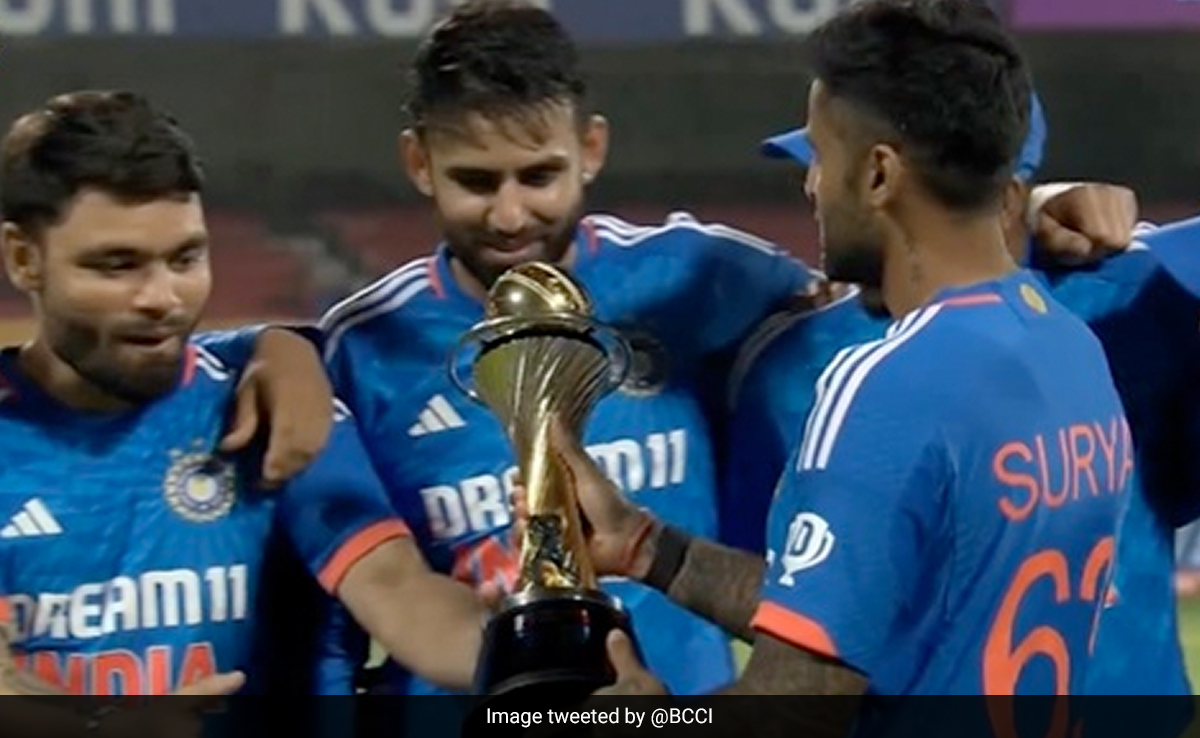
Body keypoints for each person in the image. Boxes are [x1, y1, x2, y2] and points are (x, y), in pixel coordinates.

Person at [523, 0, 1133, 732]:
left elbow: (798, 708)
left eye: (821, 155)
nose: (811, 185)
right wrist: (647, 547)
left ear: (877, 174)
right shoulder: (1069, 349)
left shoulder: (886, 385)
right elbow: (866, 617)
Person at [318, 0, 814, 722]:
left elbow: (867, 302)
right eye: (476, 181)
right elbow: (341, 607)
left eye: (539, 176)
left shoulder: (696, 275)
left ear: (592, 148)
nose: (510, 215)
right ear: (419, 162)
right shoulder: (362, 349)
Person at [0, 90, 492, 733]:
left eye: (185, 258)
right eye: (116, 266)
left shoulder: (268, 409)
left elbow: (401, 595)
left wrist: (549, 669)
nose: (162, 297)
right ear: (23, 259)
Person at [729, 95, 1200, 715]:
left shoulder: (1138, 304)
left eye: (832, 163)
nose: (814, 188)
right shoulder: (785, 365)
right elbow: (788, 605)